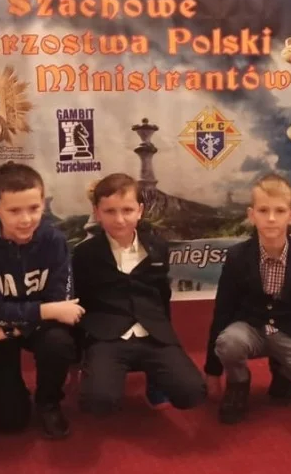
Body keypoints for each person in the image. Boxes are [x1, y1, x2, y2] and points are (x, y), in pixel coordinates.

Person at [0, 162, 83, 437]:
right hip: (1, 325)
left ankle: (48, 401)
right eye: (14, 211)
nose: (26, 219)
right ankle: (9, 392)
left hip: (9, 328)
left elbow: (61, 303)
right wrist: (47, 311)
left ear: (43, 203)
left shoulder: (55, 240)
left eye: (34, 208)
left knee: (59, 343)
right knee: (8, 422)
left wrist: (9, 330)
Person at [204, 174, 291, 424]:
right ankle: (238, 383)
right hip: (250, 329)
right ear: (252, 215)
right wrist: (213, 371)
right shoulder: (237, 257)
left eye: (280, 211)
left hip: (290, 333)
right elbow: (222, 311)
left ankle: (282, 371)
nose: (272, 218)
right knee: (229, 342)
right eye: (263, 210)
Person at [73, 173, 206, 415]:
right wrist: (83, 348)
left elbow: (162, 295)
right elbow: (80, 300)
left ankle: (156, 378)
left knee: (193, 392)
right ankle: (100, 376)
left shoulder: (157, 247)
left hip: (153, 334)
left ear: (140, 211)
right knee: (98, 402)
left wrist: (167, 337)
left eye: (127, 210)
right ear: (97, 212)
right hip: (108, 336)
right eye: (110, 211)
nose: (120, 219)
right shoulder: (84, 254)